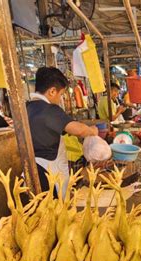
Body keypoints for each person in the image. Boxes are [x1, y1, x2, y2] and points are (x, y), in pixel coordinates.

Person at [27, 67, 98, 196]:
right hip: (48, 173)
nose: (60, 99)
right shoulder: (49, 109)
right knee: (55, 210)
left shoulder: (27, 107)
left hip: (33, 171)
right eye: (61, 95)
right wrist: (92, 130)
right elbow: (79, 130)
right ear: (52, 91)